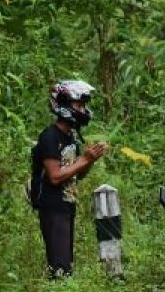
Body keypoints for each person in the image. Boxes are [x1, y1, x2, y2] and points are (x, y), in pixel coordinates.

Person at [30, 80, 108, 278]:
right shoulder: (50, 137)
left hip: (67, 205)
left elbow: (77, 173)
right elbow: (55, 177)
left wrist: (89, 160)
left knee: (65, 264)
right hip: (53, 206)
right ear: (64, 104)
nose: (82, 109)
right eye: (78, 105)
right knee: (60, 267)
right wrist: (84, 159)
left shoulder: (70, 137)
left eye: (84, 105)